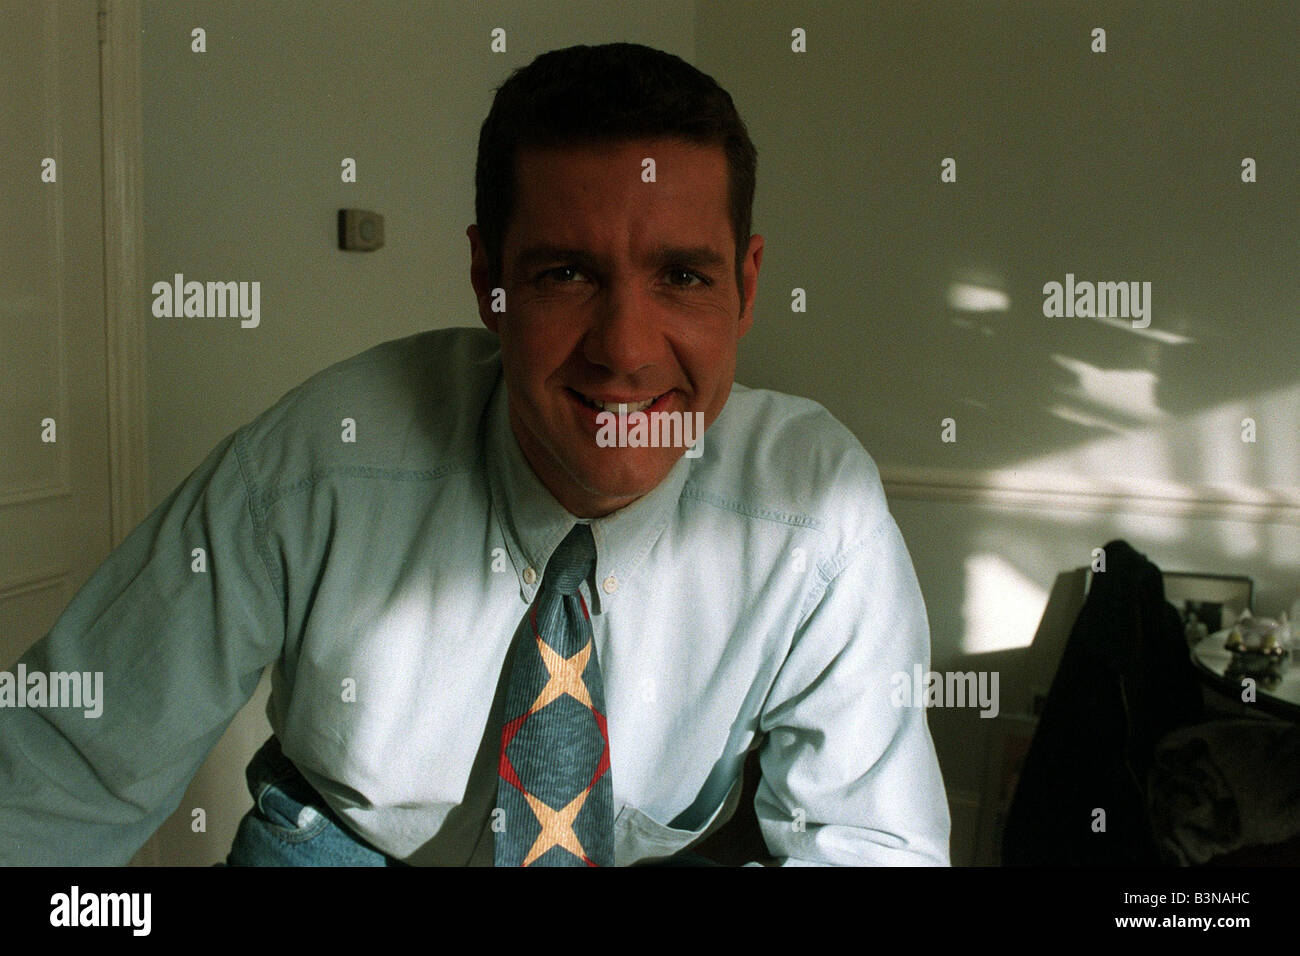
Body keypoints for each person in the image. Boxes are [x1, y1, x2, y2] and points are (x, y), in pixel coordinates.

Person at [0, 42, 949, 866]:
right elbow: (66, 765)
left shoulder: (817, 510)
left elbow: (872, 844)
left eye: (682, 276)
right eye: (566, 274)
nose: (624, 350)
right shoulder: (316, 461)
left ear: (744, 290)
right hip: (343, 845)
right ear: (489, 284)